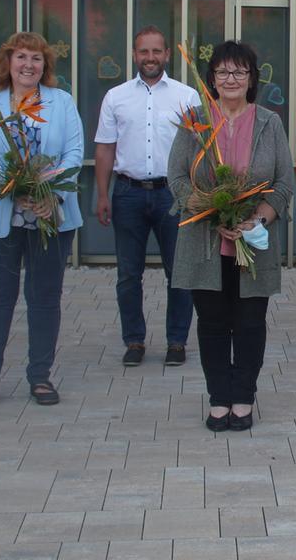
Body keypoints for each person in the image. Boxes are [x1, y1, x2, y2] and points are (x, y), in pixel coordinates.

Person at [168, 41, 294, 432]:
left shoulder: (269, 123)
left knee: (251, 323)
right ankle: (219, 397)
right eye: (223, 72)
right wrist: (206, 208)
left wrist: (258, 218)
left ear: (252, 78)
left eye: (240, 72)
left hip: (253, 242)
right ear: (212, 79)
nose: (231, 79)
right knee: (212, 323)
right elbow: (175, 178)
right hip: (205, 243)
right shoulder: (195, 121)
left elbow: (284, 183)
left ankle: (244, 396)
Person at [0, 32, 84, 408]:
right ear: (8, 62)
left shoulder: (61, 103)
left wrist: (51, 195)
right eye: (21, 57)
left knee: (44, 298)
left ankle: (40, 377)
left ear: (45, 65)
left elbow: (74, 154)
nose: (28, 65)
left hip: (49, 216)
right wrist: (10, 186)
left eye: (36, 58)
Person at [94, 26, 201, 368]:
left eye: (156, 51)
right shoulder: (116, 97)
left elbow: (200, 150)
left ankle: (176, 341)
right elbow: (105, 148)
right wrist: (102, 194)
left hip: (174, 194)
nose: (150, 57)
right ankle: (134, 341)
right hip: (127, 193)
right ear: (134, 54)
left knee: (179, 272)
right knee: (128, 273)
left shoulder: (187, 96)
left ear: (167, 54)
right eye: (144, 51)